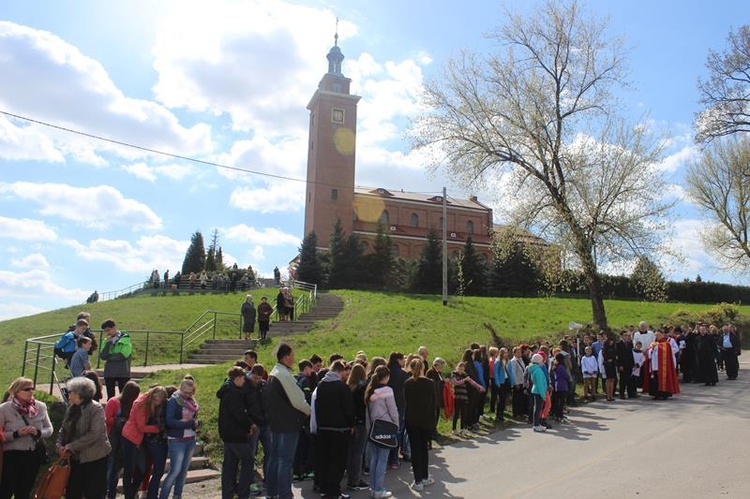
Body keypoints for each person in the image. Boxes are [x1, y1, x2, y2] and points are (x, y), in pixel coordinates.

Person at [265, 343, 311, 499]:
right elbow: (298, 400)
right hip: (288, 424)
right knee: (285, 461)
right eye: (292, 354)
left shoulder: (274, 372)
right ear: (286, 357)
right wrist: (309, 411)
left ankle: (272, 492)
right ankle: (285, 494)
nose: (294, 357)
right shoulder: (283, 375)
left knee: (275, 458)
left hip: (276, 423)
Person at [57, 376, 112, 499]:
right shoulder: (72, 409)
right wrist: (59, 445)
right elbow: (63, 429)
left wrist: (71, 446)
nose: (68, 394)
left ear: (79, 394)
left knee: (94, 493)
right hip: (75, 459)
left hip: (95, 459)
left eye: (70, 391)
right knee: (72, 492)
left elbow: (94, 434)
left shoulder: (96, 409)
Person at [0, 377, 53, 499]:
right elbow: (1, 434)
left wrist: (38, 432)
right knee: (6, 490)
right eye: (26, 389)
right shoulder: (4, 409)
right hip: (11, 455)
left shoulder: (41, 406)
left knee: (25, 491)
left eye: (32, 388)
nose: (31, 391)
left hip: (32, 454)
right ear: (17, 391)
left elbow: (49, 429)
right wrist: (16, 434)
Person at [313, 360, 354, 499]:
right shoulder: (342, 387)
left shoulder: (321, 385)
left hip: (324, 428)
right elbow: (349, 409)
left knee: (325, 460)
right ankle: (334, 492)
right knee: (338, 462)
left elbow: (317, 406)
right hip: (340, 429)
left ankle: (324, 489)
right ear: (341, 371)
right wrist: (352, 424)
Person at [121, 386, 168, 499]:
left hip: (139, 439)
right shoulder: (141, 404)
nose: (158, 403)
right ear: (153, 396)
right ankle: (129, 495)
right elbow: (141, 427)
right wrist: (158, 428)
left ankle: (131, 492)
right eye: (157, 400)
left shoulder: (149, 402)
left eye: (160, 401)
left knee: (142, 470)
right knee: (129, 470)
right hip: (130, 437)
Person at [218, 367, 255, 499]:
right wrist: (249, 425)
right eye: (243, 378)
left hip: (227, 434)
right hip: (236, 434)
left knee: (229, 465)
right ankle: (243, 492)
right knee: (248, 460)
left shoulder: (227, 390)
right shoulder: (234, 392)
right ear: (237, 378)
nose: (244, 381)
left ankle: (227, 493)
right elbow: (239, 414)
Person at [160, 376, 200, 499]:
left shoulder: (192, 401)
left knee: (183, 472)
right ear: (181, 388)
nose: (188, 395)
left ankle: (177, 495)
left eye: (190, 392)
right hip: (177, 439)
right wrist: (189, 423)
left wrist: (194, 423)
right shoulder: (174, 400)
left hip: (190, 439)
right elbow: (170, 421)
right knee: (175, 471)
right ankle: (163, 496)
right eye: (186, 392)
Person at [403, 358, 436, 492]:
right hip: (426, 420)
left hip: (411, 419)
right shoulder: (430, 383)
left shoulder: (407, 383)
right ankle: (424, 476)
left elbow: (406, 401)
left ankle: (417, 480)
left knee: (415, 450)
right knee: (423, 448)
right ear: (423, 368)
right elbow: (433, 404)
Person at [105, 381, 141, 499]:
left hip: (127, 440)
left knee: (120, 468)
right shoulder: (114, 402)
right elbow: (107, 418)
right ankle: (108, 493)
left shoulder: (134, 404)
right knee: (111, 468)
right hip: (113, 438)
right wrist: (120, 422)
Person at [365, 365, 397, 499]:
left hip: (373, 427)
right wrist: (397, 425)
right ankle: (379, 489)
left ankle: (373, 488)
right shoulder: (388, 390)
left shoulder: (370, 390)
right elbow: (393, 410)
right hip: (386, 427)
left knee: (374, 459)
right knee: (382, 460)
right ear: (386, 376)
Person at [346, 363, 369, 492]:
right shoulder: (362, 389)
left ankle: (351, 479)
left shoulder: (348, 387)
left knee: (351, 453)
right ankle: (355, 480)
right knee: (358, 453)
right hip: (361, 423)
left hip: (351, 424)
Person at [100, 318, 133, 399]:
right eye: (105, 331)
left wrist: (109, 357)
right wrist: (108, 344)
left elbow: (122, 355)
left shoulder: (125, 339)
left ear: (114, 327)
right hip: (109, 373)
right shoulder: (105, 341)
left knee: (123, 397)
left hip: (123, 372)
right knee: (110, 397)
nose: (107, 333)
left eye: (108, 330)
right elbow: (103, 356)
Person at [647, 330, 681, 399]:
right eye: (656, 335)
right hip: (655, 365)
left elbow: (667, 351)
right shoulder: (653, 343)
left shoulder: (666, 343)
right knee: (655, 380)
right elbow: (649, 352)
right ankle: (656, 394)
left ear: (662, 335)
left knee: (663, 379)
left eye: (658, 335)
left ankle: (664, 394)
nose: (657, 336)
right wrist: (652, 349)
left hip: (663, 365)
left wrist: (658, 348)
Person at [527, 354, 548, 432]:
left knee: (537, 408)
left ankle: (537, 424)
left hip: (536, 390)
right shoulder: (538, 370)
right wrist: (543, 394)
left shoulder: (534, 369)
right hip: (539, 391)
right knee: (538, 409)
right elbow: (540, 384)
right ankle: (536, 424)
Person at [550, 353, 571, 423]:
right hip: (562, 385)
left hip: (557, 385)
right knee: (561, 402)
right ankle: (560, 416)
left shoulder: (555, 366)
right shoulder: (561, 367)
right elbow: (566, 376)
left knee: (557, 401)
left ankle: (557, 415)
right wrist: (568, 378)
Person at [616, 330, 636, 399]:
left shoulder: (630, 343)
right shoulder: (618, 344)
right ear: (621, 336)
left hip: (629, 364)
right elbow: (618, 355)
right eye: (625, 335)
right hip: (622, 364)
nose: (626, 337)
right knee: (622, 380)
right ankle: (621, 394)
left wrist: (633, 363)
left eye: (627, 335)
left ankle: (630, 393)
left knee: (629, 379)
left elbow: (631, 354)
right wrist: (619, 365)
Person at [508, 347, 527, 419]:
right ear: (514, 353)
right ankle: (516, 413)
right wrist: (516, 383)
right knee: (516, 398)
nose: (519, 354)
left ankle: (521, 412)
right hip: (518, 382)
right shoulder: (513, 361)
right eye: (518, 352)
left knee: (521, 398)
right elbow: (513, 372)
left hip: (522, 381)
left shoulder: (521, 360)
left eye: (520, 352)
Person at [492, 349, 510, 422]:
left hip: (505, 380)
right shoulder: (498, 362)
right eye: (505, 353)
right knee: (501, 398)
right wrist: (497, 382)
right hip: (500, 382)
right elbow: (495, 373)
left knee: (504, 398)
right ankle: (498, 414)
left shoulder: (506, 361)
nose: (506, 354)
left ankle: (501, 414)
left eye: (506, 353)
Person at [599, 337, 618, 402]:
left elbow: (615, 357)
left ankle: (611, 395)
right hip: (607, 366)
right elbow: (602, 359)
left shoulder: (614, 349)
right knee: (608, 380)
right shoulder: (604, 350)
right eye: (610, 341)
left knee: (612, 380)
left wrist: (613, 359)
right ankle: (608, 395)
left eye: (612, 341)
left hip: (612, 365)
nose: (611, 342)